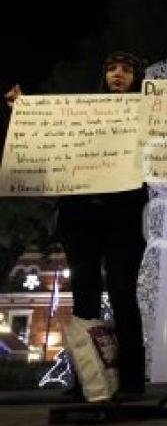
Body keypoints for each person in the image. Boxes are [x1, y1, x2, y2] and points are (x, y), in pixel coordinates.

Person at [6, 52, 149, 398]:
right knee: (84, 297)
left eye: (126, 70)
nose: (118, 74)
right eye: (111, 68)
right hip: (81, 215)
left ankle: (132, 380)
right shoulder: (78, 112)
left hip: (125, 216)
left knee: (121, 291)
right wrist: (23, 112)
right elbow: (47, 136)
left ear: (136, 77)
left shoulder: (148, 111)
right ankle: (86, 379)